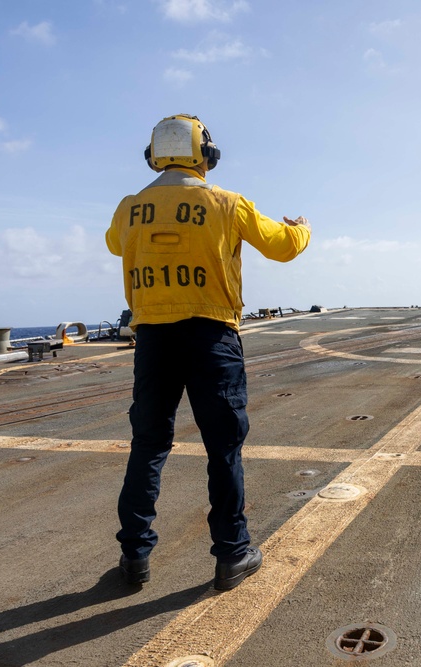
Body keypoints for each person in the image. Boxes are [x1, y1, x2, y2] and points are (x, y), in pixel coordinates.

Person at [105, 114, 310, 591]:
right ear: (206, 155)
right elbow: (282, 248)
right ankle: (232, 555)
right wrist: (301, 229)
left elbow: (117, 245)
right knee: (223, 449)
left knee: (149, 445)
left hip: (153, 339)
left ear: (153, 155)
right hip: (212, 336)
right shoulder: (227, 203)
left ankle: (134, 556)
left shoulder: (129, 207)